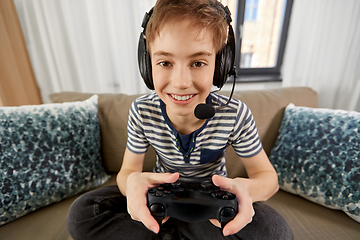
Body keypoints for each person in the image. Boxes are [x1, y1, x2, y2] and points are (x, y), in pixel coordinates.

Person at [66, 0, 294, 239]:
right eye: (165, 62)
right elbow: (127, 172)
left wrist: (244, 190)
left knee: (275, 232)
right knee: (83, 212)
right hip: (161, 203)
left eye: (198, 63)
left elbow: (268, 179)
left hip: (211, 209)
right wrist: (132, 184)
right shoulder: (142, 111)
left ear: (220, 66)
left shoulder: (235, 114)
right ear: (147, 65)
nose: (181, 82)